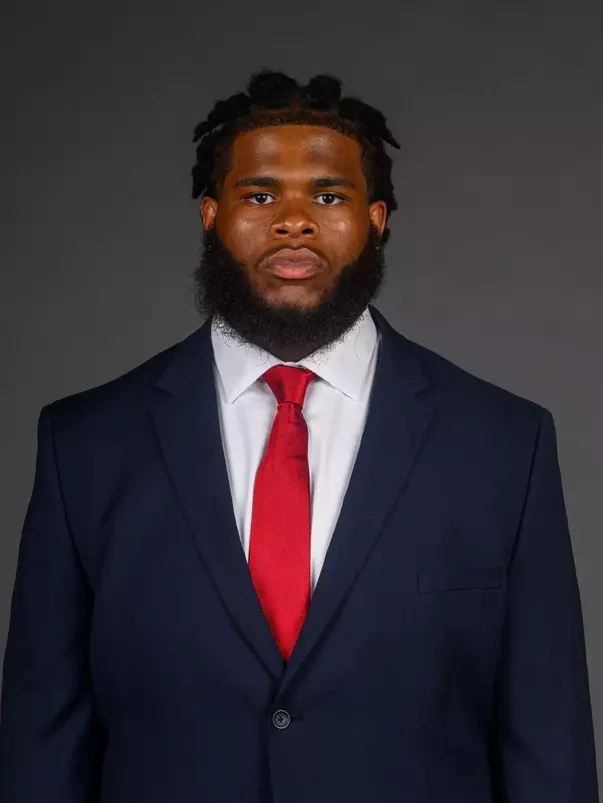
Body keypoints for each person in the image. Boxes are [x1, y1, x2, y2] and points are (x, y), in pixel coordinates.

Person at [0, 68, 599, 803]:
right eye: (258, 195)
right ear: (210, 213)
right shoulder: (85, 442)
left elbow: (546, 733)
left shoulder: (504, 442)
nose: (293, 219)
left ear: (375, 217)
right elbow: (43, 732)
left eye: (327, 195)